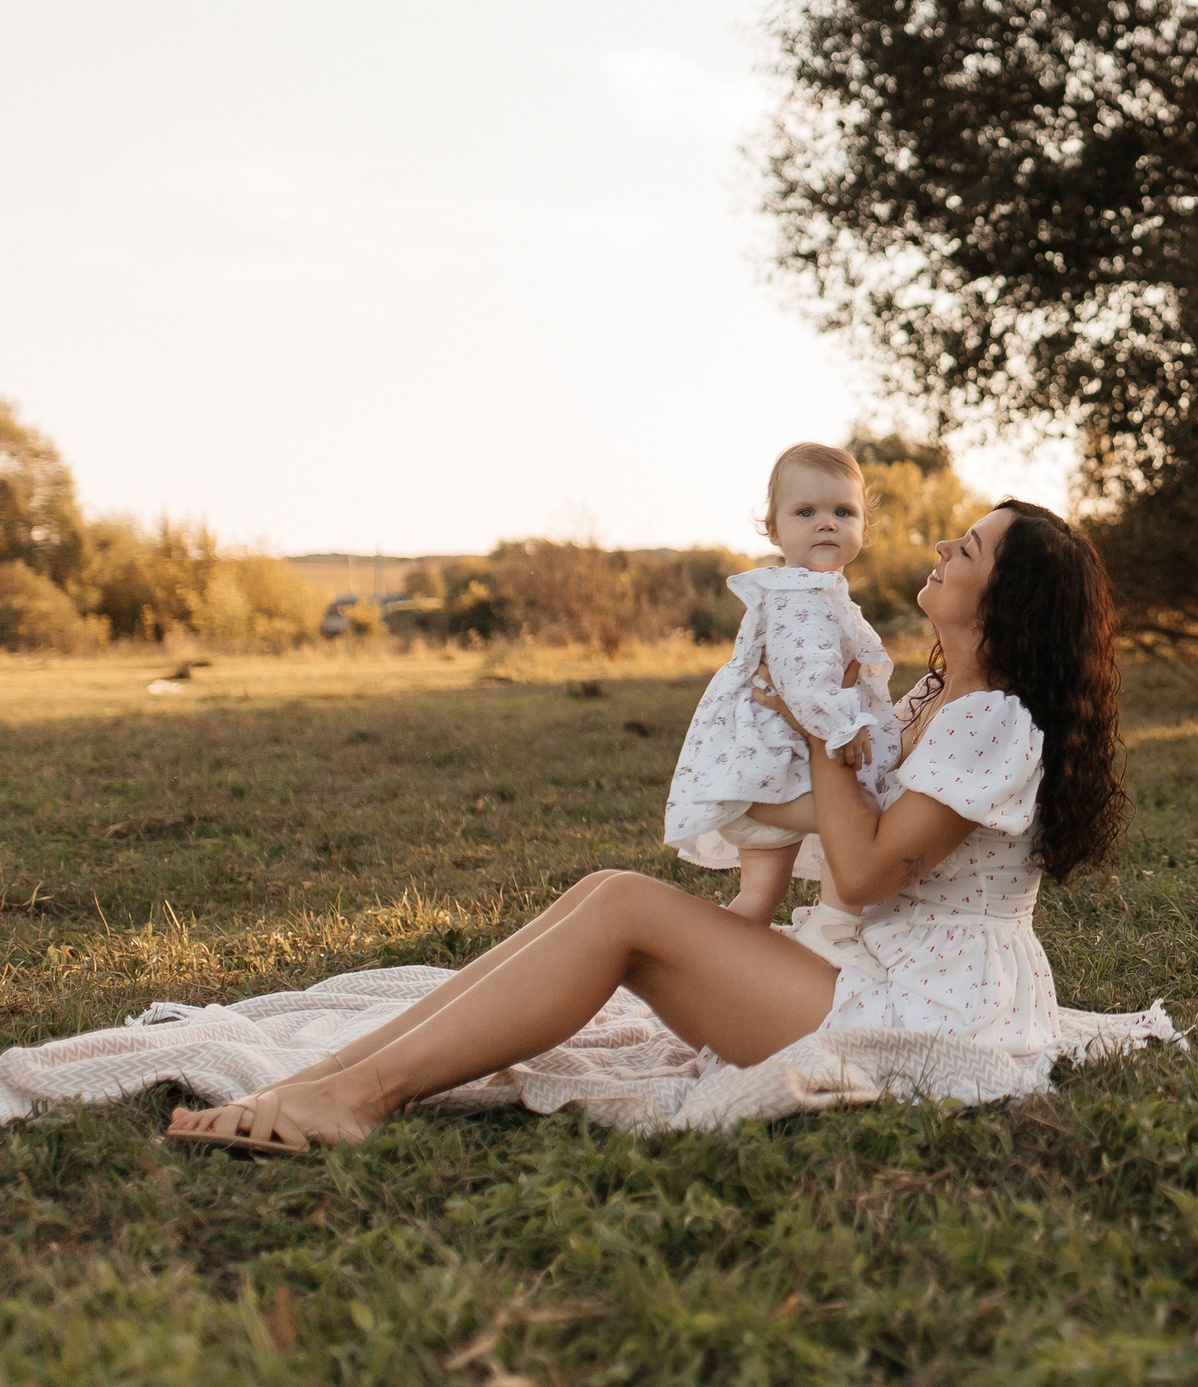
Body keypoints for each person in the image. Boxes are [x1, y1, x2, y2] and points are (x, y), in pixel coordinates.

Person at [165, 499, 1133, 1154]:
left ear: (1007, 598)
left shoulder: (994, 720)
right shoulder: (933, 693)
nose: (939, 551)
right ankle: (332, 1073)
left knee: (622, 906)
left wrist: (812, 728)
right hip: (861, 967)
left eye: (965, 550)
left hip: (928, 1006)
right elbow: (837, 822)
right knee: (604, 894)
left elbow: (869, 870)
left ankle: (353, 1102)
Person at [662, 441, 897, 929]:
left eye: (843, 511)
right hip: (770, 776)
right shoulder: (800, 597)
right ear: (774, 529)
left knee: (756, 903)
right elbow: (803, 678)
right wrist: (842, 726)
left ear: (863, 529)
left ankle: (711, 969)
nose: (826, 522)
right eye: (805, 511)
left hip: (766, 769)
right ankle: (839, 926)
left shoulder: (817, 593)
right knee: (858, 815)